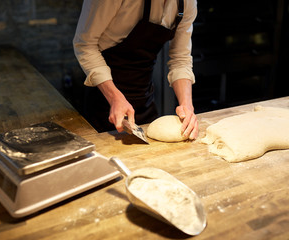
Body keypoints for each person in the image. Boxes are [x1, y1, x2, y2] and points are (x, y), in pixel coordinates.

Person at [73, 0, 198, 140]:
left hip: (144, 98)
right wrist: (114, 97)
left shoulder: (186, 3)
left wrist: (187, 105)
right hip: (103, 102)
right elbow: (84, 45)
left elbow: (180, 58)